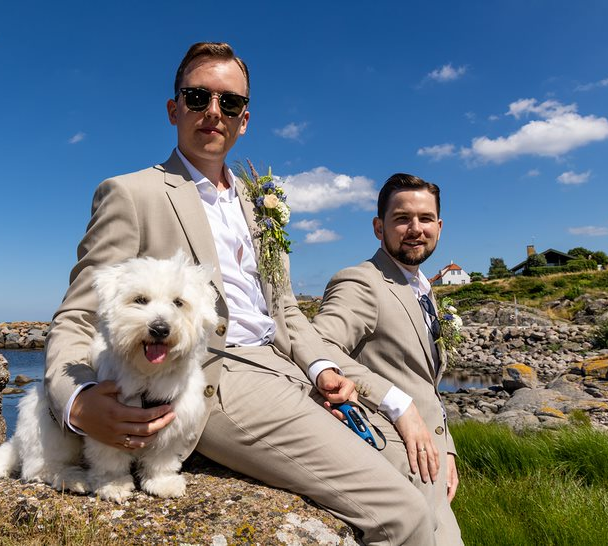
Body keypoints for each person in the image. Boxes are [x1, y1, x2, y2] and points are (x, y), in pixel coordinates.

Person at [44, 42, 436, 545]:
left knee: (414, 466)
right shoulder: (132, 193)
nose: (213, 112)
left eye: (229, 103)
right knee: (398, 511)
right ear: (173, 108)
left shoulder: (260, 203)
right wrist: (75, 402)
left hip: (289, 369)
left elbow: (286, 310)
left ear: (244, 119)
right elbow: (79, 314)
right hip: (215, 376)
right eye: (197, 96)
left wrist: (321, 367)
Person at [312, 173, 464, 545]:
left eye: (425, 219)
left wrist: (447, 450)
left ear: (439, 226)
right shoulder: (361, 281)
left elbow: (425, 382)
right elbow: (317, 345)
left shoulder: (421, 285)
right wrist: (397, 404)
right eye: (402, 219)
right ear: (379, 227)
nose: (415, 229)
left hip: (430, 462)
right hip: (393, 463)